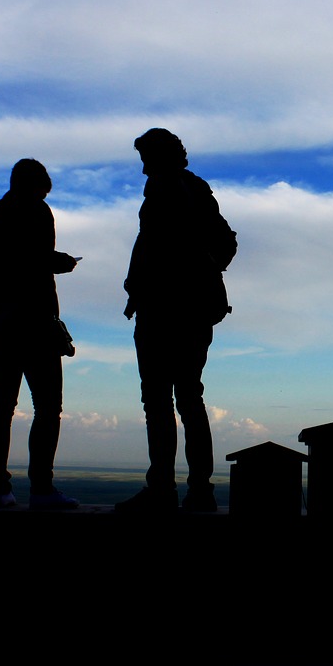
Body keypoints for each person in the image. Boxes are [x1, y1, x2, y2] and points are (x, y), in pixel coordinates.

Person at [115, 129, 236, 515]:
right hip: (193, 310)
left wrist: (155, 284)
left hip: (166, 311)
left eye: (147, 157)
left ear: (161, 155)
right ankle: (198, 491)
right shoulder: (196, 188)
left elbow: (155, 247)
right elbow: (225, 244)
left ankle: (163, 491)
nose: (143, 166)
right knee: (188, 399)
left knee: (159, 401)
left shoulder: (167, 188)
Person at [0, 159, 80, 509]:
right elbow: (35, 261)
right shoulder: (39, 213)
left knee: (1, 405)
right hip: (33, 323)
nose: (45, 196)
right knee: (47, 407)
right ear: (35, 187)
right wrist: (54, 261)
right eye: (43, 190)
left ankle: (0, 490)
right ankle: (42, 489)